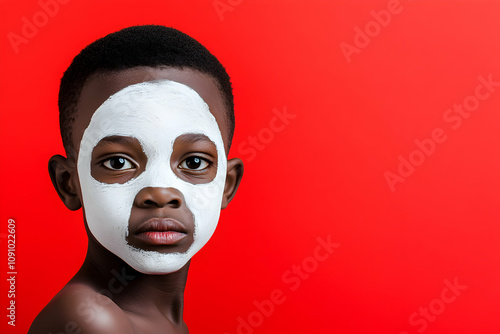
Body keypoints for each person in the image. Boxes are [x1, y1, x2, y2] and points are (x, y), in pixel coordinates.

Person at [28, 25, 244, 334]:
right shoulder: (92, 321)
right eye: (118, 163)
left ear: (227, 183)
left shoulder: (161, 322)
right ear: (68, 182)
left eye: (194, 162)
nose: (160, 193)